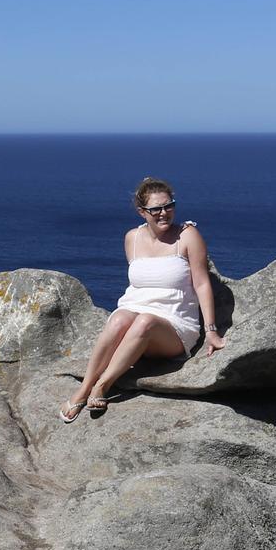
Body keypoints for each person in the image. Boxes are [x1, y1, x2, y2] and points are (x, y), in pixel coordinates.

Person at [60, 178, 226, 422]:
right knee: (118, 320)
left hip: (174, 324)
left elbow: (202, 283)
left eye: (169, 206)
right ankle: (84, 388)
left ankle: (103, 385)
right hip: (134, 313)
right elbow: (139, 283)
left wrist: (211, 330)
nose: (163, 213)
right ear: (142, 212)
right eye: (155, 209)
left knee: (145, 321)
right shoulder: (132, 238)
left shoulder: (187, 235)